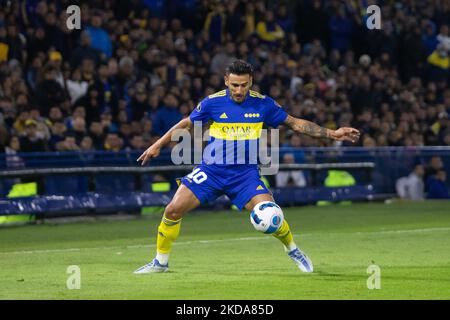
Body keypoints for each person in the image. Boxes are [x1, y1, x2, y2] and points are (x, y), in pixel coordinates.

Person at [134, 60, 360, 274]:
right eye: (234, 85)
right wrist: (157, 145)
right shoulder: (213, 102)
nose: (239, 90)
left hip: (245, 175)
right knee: (173, 210)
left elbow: (295, 124)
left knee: (272, 214)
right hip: (211, 171)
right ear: (226, 81)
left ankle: (293, 249)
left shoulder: (263, 104)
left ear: (250, 81)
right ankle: (160, 262)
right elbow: (186, 123)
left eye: (243, 85)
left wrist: (332, 133)